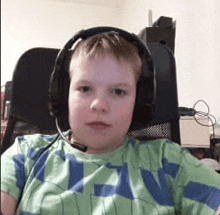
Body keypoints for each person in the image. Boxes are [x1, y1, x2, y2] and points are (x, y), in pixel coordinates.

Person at [1, 28, 220, 215]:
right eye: (85, 88)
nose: (99, 104)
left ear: (140, 102)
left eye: (118, 91)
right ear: (62, 95)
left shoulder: (168, 161)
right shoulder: (27, 154)